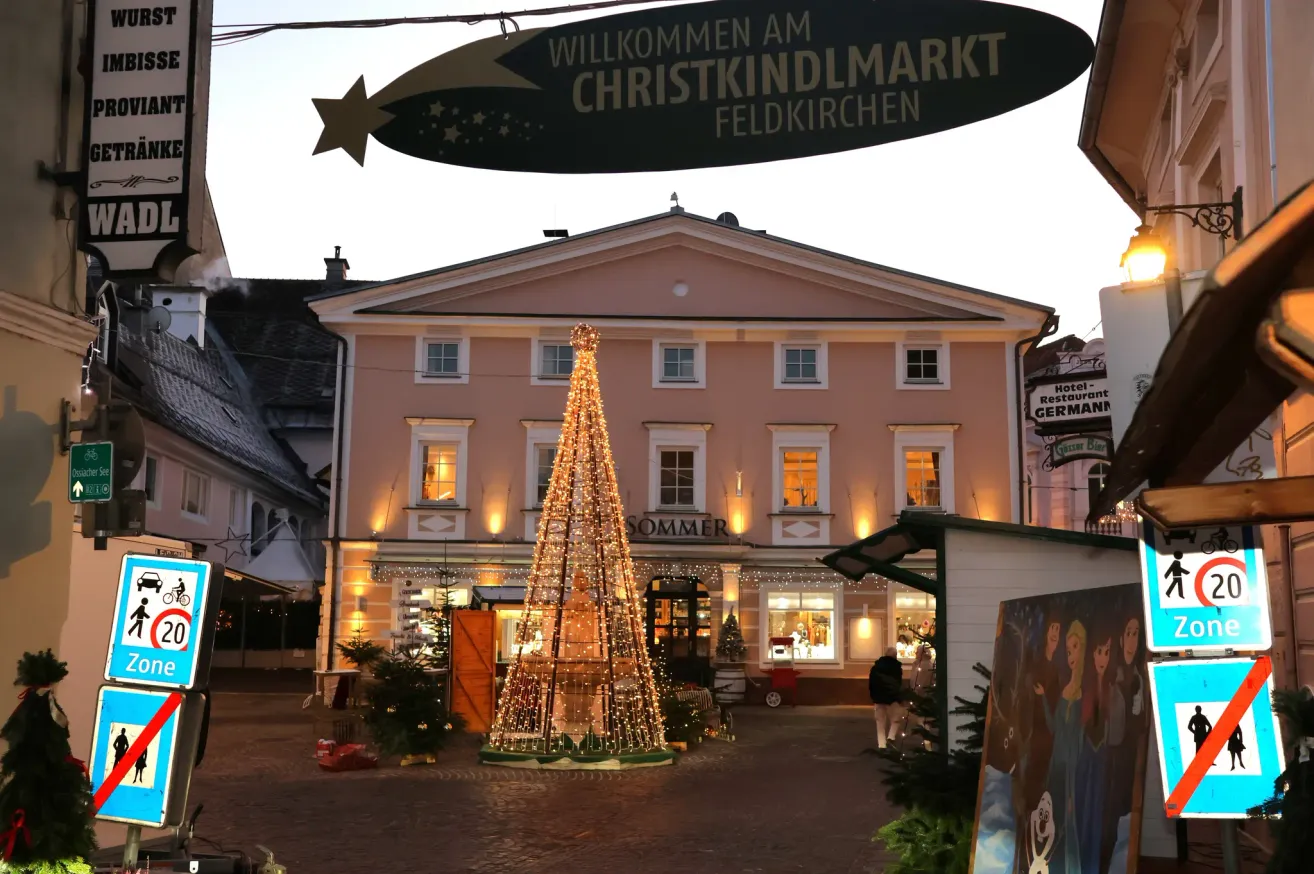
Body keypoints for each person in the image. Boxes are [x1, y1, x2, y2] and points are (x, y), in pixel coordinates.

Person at [869, 647, 904, 749]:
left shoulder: (876, 667)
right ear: (895, 655)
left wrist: (874, 696)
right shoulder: (897, 668)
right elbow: (898, 684)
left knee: (880, 722)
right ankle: (891, 737)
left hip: (879, 698)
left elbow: (871, 684)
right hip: (892, 698)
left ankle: (881, 745)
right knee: (896, 719)